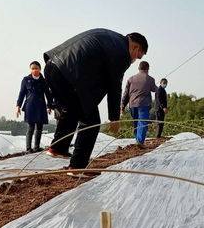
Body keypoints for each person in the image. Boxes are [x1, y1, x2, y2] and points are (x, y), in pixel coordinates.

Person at [43, 29, 148, 169]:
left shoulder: (111, 38)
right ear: (135, 47)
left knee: (73, 110)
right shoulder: (122, 52)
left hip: (53, 66)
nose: (134, 60)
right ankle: (77, 167)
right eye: (137, 56)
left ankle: (58, 147)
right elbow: (114, 86)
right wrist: (114, 118)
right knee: (91, 122)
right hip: (69, 74)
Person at [16, 61, 53, 152]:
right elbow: (22, 93)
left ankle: (36, 147)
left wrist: (49, 106)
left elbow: (48, 94)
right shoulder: (26, 80)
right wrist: (18, 106)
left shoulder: (43, 81)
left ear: (40, 69)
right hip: (30, 106)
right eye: (32, 68)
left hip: (40, 106)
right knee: (31, 127)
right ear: (30, 70)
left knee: (39, 127)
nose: (34, 70)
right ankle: (28, 148)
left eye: (36, 68)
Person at [121, 61, 157, 145]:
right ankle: (140, 142)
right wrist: (160, 88)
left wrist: (122, 106)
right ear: (148, 69)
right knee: (143, 122)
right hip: (144, 104)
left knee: (136, 123)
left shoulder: (131, 79)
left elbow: (126, 94)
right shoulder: (150, 79)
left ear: (139, 68)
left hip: (132, 105)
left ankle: (138, 140)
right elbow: (155, 89)